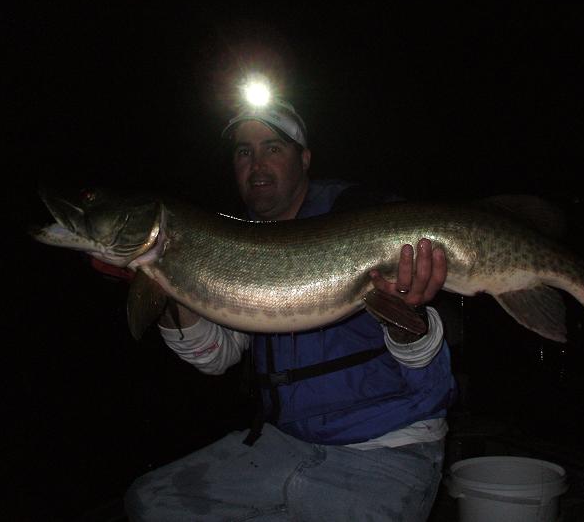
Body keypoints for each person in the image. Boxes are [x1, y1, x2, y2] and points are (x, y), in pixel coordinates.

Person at [124, 99, 457, 521]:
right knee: (151, 501)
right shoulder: (234, 241)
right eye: (244, 152)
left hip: (388, 447)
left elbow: (426, 352)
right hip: (286, 444)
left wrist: (405, 313)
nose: (257, 164)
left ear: (304, 159)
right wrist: (166, 287)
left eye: (273, 148)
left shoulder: (363, 211)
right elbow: (214, 356)